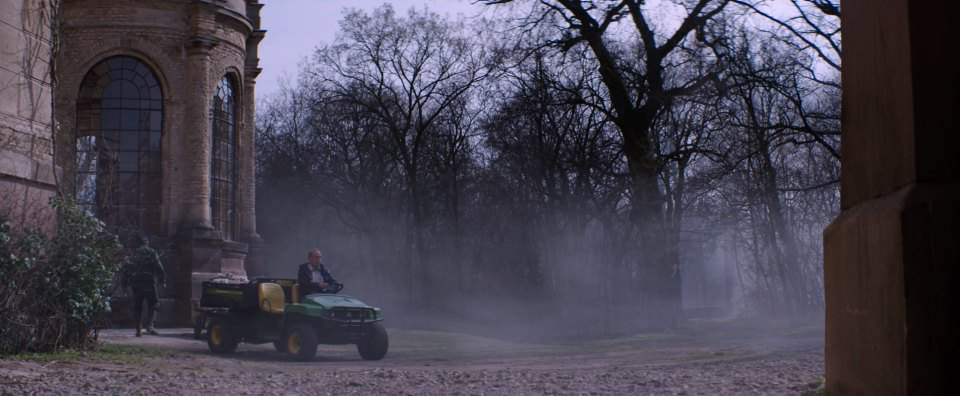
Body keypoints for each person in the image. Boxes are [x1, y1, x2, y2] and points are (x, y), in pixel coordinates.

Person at [121, 235, 165, 337]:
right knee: (154, 304)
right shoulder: (151, 252)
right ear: (146, 242)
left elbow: (126, 269)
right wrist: (162, 279)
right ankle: (150, 326)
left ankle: (138, 330)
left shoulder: (133, 254)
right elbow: (159, 266)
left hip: (136, 284)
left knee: (137, 306)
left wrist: (124, 284)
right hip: (149, 282)